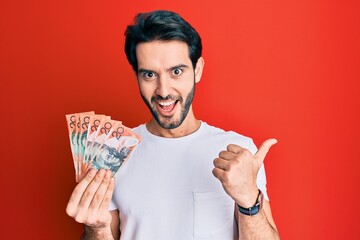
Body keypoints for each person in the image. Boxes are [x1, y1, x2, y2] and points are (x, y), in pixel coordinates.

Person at [66, 10, 280, 239]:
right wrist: (95, 229)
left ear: (197, 70)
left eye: (176, 72)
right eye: (149, 75)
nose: (164, 91)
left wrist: (249, 200)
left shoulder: (238, 151)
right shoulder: (114, 153)